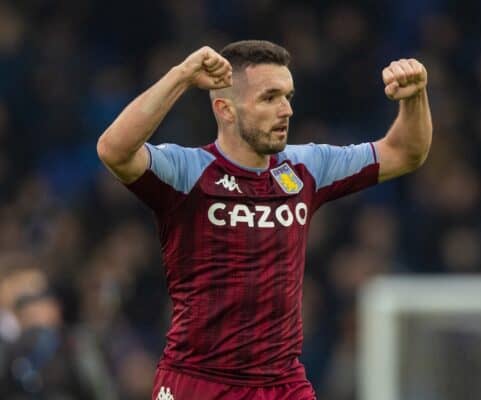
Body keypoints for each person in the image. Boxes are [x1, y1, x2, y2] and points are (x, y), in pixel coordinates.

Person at [96, 40, 432, 400]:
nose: (286, 110)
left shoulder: (305, 167)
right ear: (225, 109)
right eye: (269, 98)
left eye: (288, 96)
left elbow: (405, 152)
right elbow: (113, 149)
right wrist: (181, 77)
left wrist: (415, 98)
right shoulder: (187, 172)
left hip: (282, 384)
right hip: (200, 382)